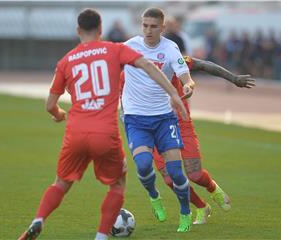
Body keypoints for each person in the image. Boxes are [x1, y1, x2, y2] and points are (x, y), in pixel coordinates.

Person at [18, 9, 188, 240]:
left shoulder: (66, 60)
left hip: (75, 132)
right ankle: (101, 236)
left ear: (78, 31)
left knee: (61, 182)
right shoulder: (114, 50)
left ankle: (39, 218)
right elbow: (148, 66)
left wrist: (58, 114)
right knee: (117, 184)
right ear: (100, 29)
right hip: (104, 134)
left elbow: (50, 104)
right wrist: (174, 94)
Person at [152, 55, 255, 225]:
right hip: (155, 128)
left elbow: (205, 65)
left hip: (181, 125)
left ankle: (213, 188)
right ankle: (201, 207)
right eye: (146, 26)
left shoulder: (173, 58)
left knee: (195, 175)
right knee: (170, 180)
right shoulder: (137, 60)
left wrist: (234, 78)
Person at [122, 7, 195, 233]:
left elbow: (186, 77)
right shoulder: (129, 47)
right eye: (145, 25)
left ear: (162, 28)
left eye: (153, 26)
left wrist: (188, 85)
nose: (148, 30)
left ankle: (185, 212)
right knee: (143, 165)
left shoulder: (171, 48)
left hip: (164, 119)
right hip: (136, 118)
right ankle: (154, 196)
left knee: (175, 173)